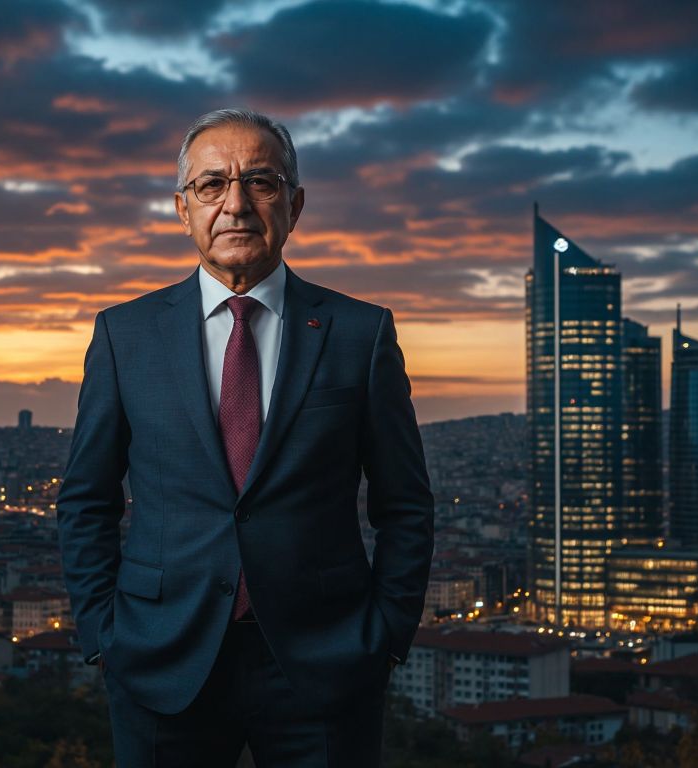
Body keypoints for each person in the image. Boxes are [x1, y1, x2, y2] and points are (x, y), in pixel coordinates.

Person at [57, 107, 434, 767]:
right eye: (212, 185)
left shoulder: (360, 333)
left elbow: (405, 503)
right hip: (158, 658)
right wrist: (104, 636)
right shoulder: (125, 335)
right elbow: (86, 499)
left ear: (295, 204)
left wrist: (386, 637)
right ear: (182, 207)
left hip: (326, 662)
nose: (235, 204)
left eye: (260, 183)